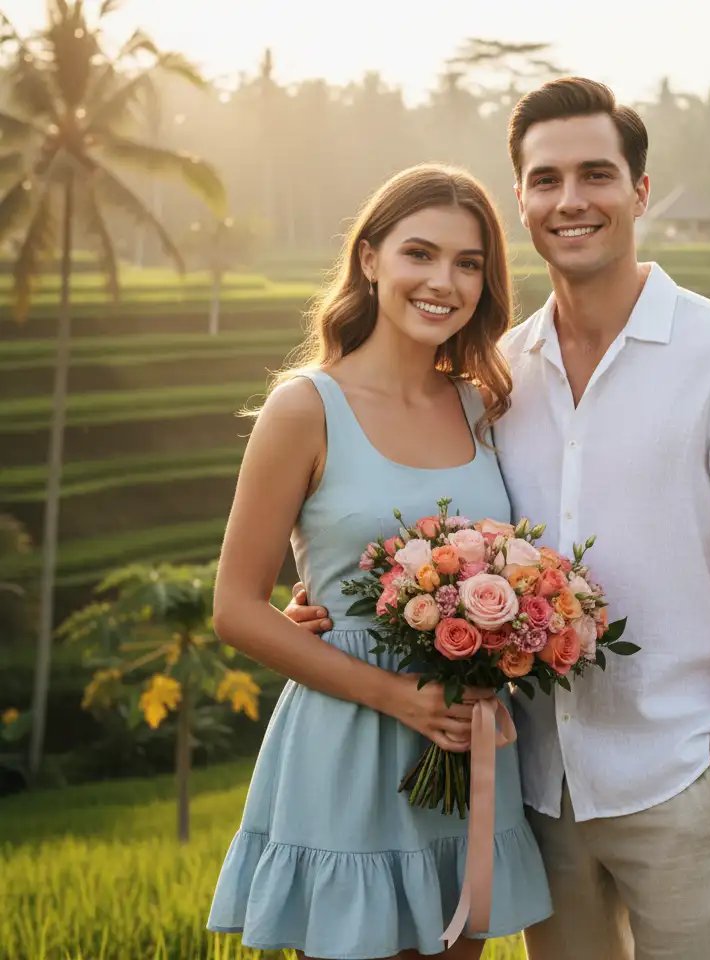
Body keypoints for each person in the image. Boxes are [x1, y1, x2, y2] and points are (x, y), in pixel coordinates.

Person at [285, 78, 710, 960]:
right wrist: (322, 605)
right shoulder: (495, 375)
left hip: (680, 778)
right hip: (538, 788)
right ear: (522, 201)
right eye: (545, 180)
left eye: (596, 174)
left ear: (639, 191)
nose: (570, 201)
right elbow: (410, 516)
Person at [206, 163, 552, 960]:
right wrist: (398, 694)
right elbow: (235, 606)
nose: (444, 282)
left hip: (467, 742)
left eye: (469, 263)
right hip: (351, 738)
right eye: (419, 254)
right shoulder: (304, 408)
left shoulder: (482, 404)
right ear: (369, 259)